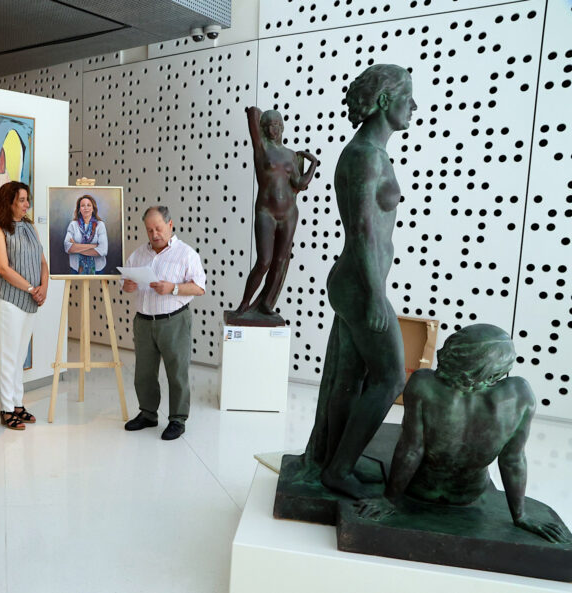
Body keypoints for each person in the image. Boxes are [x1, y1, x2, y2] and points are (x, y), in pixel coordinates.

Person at [302, 64, 417, 499]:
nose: (414, 106)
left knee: (349, 378)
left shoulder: (369, 154)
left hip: (357, 281)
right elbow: (364, 231)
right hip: (359, 284)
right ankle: (339, 468)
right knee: (391, 378)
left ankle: (335, 462)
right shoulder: (366, 156)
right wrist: (375, 295)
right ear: (386, 101)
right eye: (407, 97)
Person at [356, 324, 570, 544]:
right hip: (468, 493)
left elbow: (412, 448)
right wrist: (520, 515)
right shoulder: (520, 395)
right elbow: (512, 460)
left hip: (419, 488)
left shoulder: (424, 384)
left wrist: (389, 499)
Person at [121, 206, 206, 440]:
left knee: (177, 372)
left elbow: (199, 287)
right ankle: (148, 414)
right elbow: (125, 282)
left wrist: (173, 288)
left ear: (170, 224)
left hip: (174, 320)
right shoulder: (138, 254)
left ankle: (178, 419)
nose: (154, 234)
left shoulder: (186, 254)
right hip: (143, 322)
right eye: (149, 230)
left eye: (158, 228)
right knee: (144, 373)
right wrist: (127, 285)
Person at [231, 106, 319, 323]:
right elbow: (254, 123)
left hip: (289, 213)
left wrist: (313, 164)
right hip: (266, 212)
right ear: (263, 128)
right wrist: (253, 113)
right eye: (269, 125)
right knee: (264, 261)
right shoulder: (261, 148)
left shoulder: (291, 155)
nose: (273, 129)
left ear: (282, 127)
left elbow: (299, 184)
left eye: (277, 125)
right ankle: (244, 304)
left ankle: (266, 304)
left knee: (280, 260)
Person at [0, 181, 48, 430]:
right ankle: (6, 408)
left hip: (30, 300)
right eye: (22, 200)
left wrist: (44, 287)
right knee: (8, 356)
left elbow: (43, 261)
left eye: (27, 199)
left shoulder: (30, 227)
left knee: (20, 355)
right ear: (9, 202)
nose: (27, 204)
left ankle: (17, 403)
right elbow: (3, 268)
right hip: (9, 300)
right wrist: (32, 289)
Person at [64, 194, 108, 274]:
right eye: (83, 205)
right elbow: (67, 247)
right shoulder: (73, 225)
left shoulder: (100, 225)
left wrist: (76, 247)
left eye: (89, 205)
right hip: (76, 269)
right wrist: (93, 246)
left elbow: (103, 250)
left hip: (98, 270)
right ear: (79, 209)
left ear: (93, 208)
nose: (86, 208)